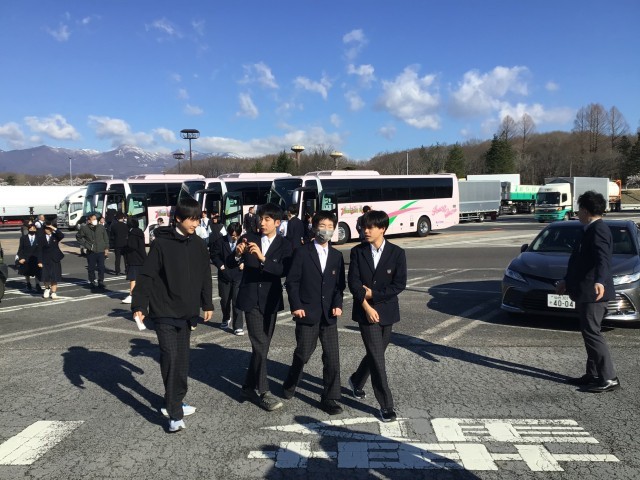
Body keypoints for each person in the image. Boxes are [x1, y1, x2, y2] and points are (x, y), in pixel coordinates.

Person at [132, 197, 214, 433]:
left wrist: (207, 303)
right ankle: (174, 414)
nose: (195, 223)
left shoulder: (198, 244)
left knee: (182, 360)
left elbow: (205, 275)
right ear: (178, 218)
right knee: (170, 356)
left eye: (198, 219)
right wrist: (139, 304)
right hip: (164, 311)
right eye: (191, 219)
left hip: (187, 313)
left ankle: (176, 399)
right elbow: (147, 275)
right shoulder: (161, 244)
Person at [556, 191, 620, 393]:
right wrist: (566, 281)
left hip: (594, 292)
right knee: (589, 332)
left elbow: (603, 259)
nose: (577, 213)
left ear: (585, 210)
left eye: (579, 210)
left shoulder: (598, 230)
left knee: (592, 333)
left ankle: (609, 378)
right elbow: (580, 262)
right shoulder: (590, 229)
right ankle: (593, 374)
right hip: (586, 290)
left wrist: (600, 281)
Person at [282, 211, 346, 414]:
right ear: (314, 227)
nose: (326, 230)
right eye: (322, 226)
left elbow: (339, 286)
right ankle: (291, 381)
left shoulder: (336, 256)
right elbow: (292, 282)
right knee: (303, 353)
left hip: (329, 315)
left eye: (330, 226)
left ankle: (330, 398)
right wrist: (296, 305)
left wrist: (338, 304)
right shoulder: (302, 252)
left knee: (332, 358)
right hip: (307, 313)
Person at [347, 210, 407, 422]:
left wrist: (375, 295)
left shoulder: (397, 253)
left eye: (370, 227)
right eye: (364, 227)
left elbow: (399, 284)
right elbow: (353, 283)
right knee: (378, 359)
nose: (366, 230)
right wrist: (367, 305)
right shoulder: (357, 252)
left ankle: (356, 380)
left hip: (387, 311)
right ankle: (386, 405)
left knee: (376, 353)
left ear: (382, 229)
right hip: (366, 312)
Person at [232, 203, 292, 411]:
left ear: (277, 222)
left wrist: (263, 258)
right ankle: (264, 392)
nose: (262, 222)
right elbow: (231, 262)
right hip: (250, 299)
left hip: (271, 300)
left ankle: (247, 387)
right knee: (259, 344)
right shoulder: (248, 238)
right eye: (260, 218)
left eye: (267, 219)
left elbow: (284, 270)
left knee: (262, 347)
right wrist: (237, 254)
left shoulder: (285, 244)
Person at [211, 222, 244, 335]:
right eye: (232, 235)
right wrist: (220, 265)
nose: (235, 238)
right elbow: (214, 255)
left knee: (237, 300)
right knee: (225, 300)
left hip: (238, 274)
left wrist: (243, 262)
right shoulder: (220, 241)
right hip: (224, 274)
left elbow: (248, 255)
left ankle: (238, 326)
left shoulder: (243, 241)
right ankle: (226, 318)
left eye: (237, 235)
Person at [76, 213, 109, 289]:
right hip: (91, 251)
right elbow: (78, 237)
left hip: (101, 250)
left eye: (95, 219)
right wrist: (86, 245)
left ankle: (101, 281)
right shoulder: (85, 228)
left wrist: (106, 248)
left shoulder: (101, 227)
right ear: (89, 220)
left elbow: (106, 238)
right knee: (91, 268)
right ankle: (92, 281)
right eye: (93, 219)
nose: (95, 220)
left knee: (101, 267)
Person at [121, 217, 146, 305]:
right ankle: (140, 295)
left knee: (133, 278)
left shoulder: (132, 234)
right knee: (139, 278)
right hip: (141, 258)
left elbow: (132, 246)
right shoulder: (139, 232)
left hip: (134, 259)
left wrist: (124, 249)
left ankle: (132, 295)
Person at [39, 223, 65, 299]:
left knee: (55, 276)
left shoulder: (55, 236)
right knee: (45, 276)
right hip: (45, 259)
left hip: (55, 258)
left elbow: (62, 235)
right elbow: (39, 250)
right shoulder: (41, 237)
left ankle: (53, 292)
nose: (48, 230)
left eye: (49, 229)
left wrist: (52, 227)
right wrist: (39, 261)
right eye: (46, 228)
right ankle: (47, 289)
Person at [17, 222, 42, 292]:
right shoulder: (23, 238)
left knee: (37, 272)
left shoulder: (39, 238)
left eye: (34, 229)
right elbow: (20, 249)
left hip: (36, 258)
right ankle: (28, 283)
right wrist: (21, 258)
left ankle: (37, 284)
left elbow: (41, 250)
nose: (32, 230)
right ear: (28, 229)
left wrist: (40, 260)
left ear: (36, 230)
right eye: (31, 228)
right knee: (26, 272)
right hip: (26, 257)